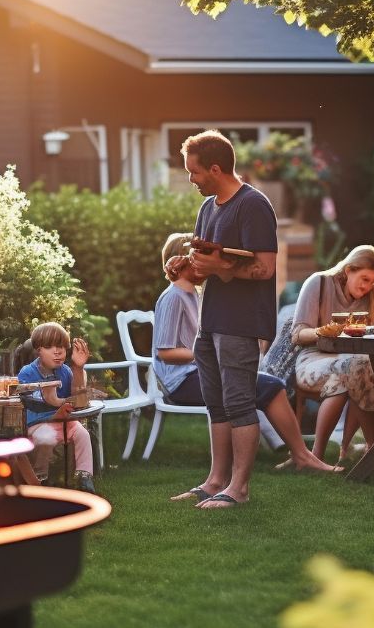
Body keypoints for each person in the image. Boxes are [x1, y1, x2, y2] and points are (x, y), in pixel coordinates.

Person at [155, 233, 341, 504]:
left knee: (268, 385)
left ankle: (299, 455)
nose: (205, 263)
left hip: (199, 371)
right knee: (268, 386)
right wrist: (206, 354)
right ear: (181, 262)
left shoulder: (194, 295)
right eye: (198, 257)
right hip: (181, 380)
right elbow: (165, 352)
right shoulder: (173, 298)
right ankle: (301, 456)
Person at [163, 130, 279, 509]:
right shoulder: (208, 207)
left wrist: (221, 267)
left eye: (194, 172)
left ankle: (239, 489)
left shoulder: (254, 205)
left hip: (242, 321)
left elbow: (265, 269)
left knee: (240, 403)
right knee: (216, 403)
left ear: (215, 168)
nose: (191, 180)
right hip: (211, 320)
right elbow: (206, 266)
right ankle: (215, 481)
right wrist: (185, 267)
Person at [290, 245, 374, 463]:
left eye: (372, 282)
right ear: (348, 270)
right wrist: (322, 331)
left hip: (356, 361)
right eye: (364, 279)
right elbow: (297, 334)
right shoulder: (317, 283)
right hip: (314, 356)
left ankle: (328, 454)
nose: (367, 286)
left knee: (357, 368)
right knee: (354, 369)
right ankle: (371, 448)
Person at [16, 322, 96, 494]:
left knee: (82, 434)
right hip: (38, 423)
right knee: (46, 437)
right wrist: (59, 406)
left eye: (61, 346)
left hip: (64, 422)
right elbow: (34, 403)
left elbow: (77, 398)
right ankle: (40, 480)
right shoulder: (27, 373)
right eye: (49, 346)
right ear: (38, 350)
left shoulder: (66, 371)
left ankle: (84, 477)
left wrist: (78, 367)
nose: (57, 351)